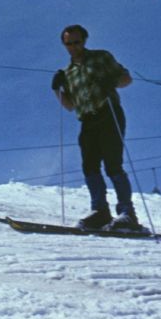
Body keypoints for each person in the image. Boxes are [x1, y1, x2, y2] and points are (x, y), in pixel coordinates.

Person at [52, 25, 142, 231]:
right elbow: (69, 105)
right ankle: (100, 212)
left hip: (108, 112)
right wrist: (57, 89)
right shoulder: (67, 73)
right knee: (89, 166)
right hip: (87, 120)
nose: (73, 47)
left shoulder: (101, 57)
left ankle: (127, 213)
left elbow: (126, 79)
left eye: (77, 42)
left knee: (113, 164)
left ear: (84, 40)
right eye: (69, 44)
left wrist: (111, 80)